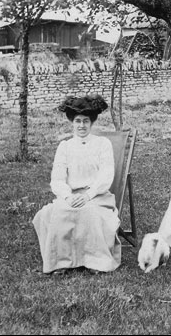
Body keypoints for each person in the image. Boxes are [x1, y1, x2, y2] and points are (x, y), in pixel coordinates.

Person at [32, 94, 121, 275]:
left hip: (97, 196)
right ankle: (61, 262)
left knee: (89, 212)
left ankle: (95, 261)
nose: (81, 126)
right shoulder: (65, 146)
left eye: (86, 121)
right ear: (72, 122)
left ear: (91, 123)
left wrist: (88, 195)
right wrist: (68, 196)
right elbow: (57, 178)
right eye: (78, 121)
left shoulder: (102, 144)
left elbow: (106, 175)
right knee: (54, 212)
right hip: (71, 195)